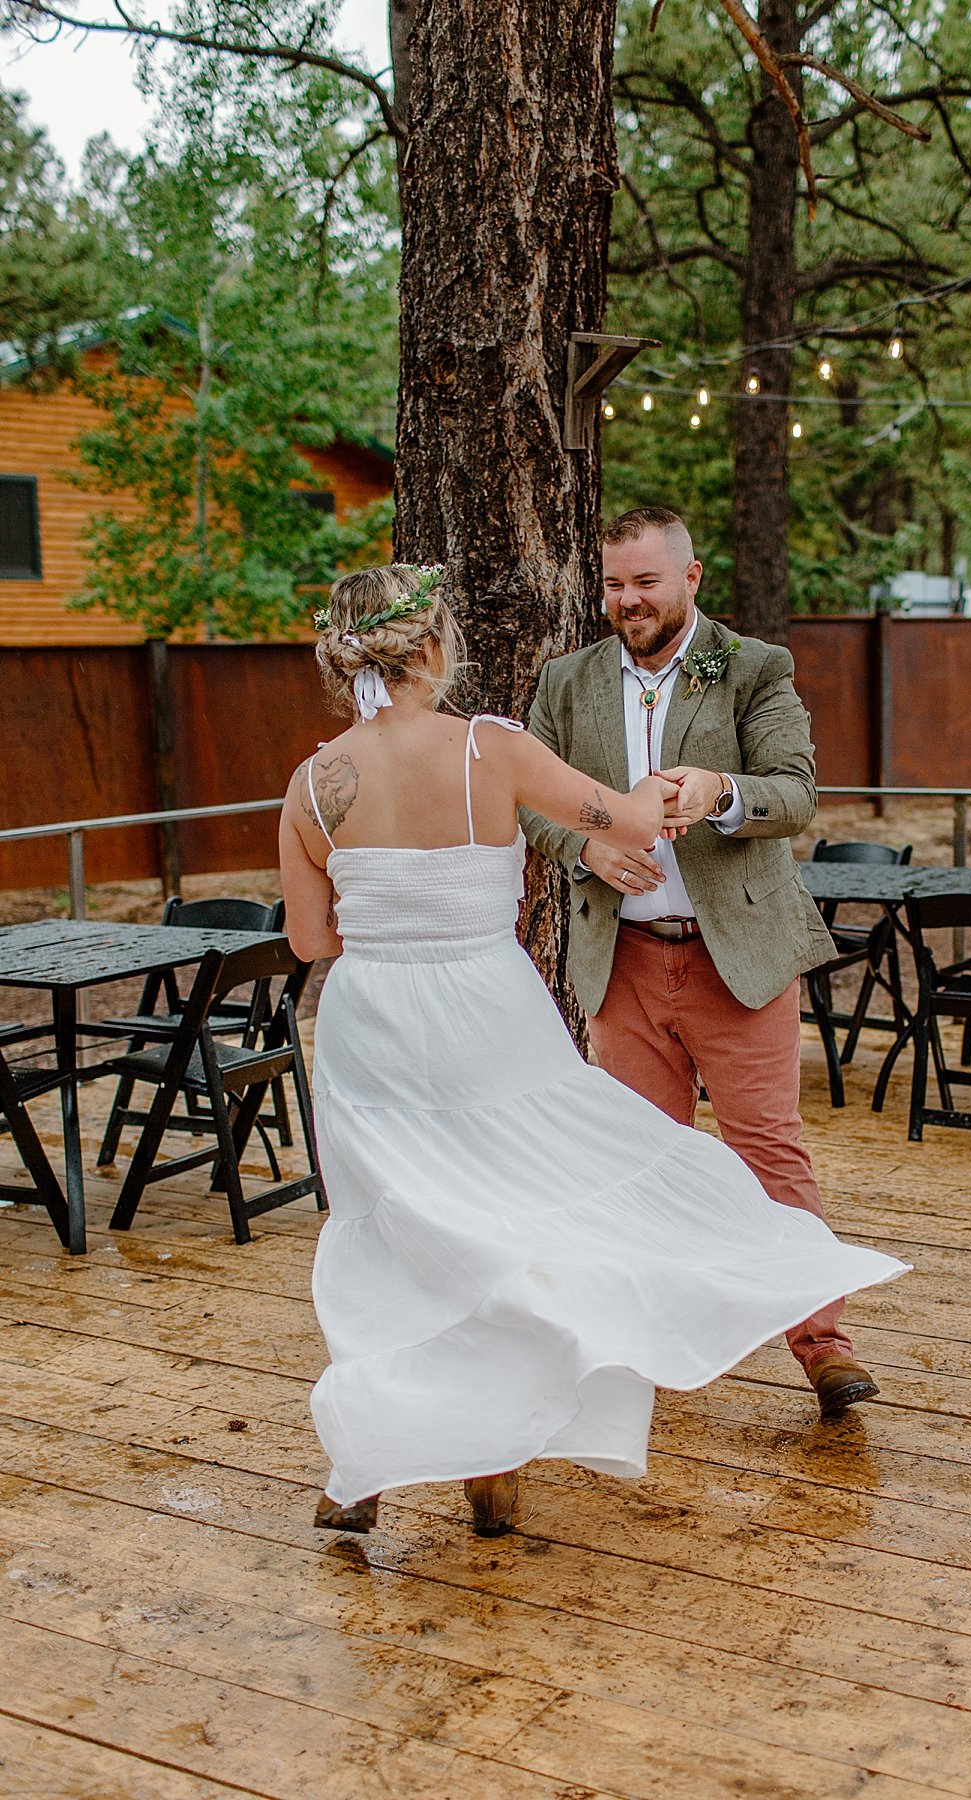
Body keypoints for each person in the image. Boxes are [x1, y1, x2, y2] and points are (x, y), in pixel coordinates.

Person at [280, 561, 904, 1538]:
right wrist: (681, 786)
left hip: (371, 1035)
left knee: (387, 1239)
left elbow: (313, 940)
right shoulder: (493, 749)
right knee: (516, 1221)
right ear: (434, 647)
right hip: (487, 1017)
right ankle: (492, 1452)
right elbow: (633, 818)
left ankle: (371, 1458)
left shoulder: (313, 785)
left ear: (346, 656)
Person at [520, 506, 879, 1419]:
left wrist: (721, 792)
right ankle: (647, 1339)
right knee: (638, 1165)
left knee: (768, 1150)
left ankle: (822, 1342)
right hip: (624, 963)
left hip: (738, 961)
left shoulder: (754, 668)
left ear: (692, 578)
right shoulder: (567, 682)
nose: (627, 600)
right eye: (612, 584)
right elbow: (524, 798)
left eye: (645, 581)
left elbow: (795, 795)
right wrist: (583, 849)